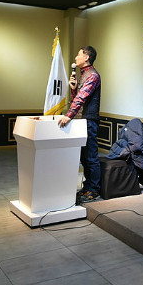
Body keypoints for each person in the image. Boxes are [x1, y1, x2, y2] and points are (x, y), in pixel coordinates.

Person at [58, 46, 102, 203]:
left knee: (91, 157)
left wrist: (69, 115)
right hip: (81, 120)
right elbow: (77, 96)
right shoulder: (83, 75)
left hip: (89, 121)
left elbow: (81, 98)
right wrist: (73, 88)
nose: (76, 57)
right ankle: (87, 187)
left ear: (87, 58)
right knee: (84, 157)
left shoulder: (93, 76)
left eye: (79, 54)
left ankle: (94, 189)